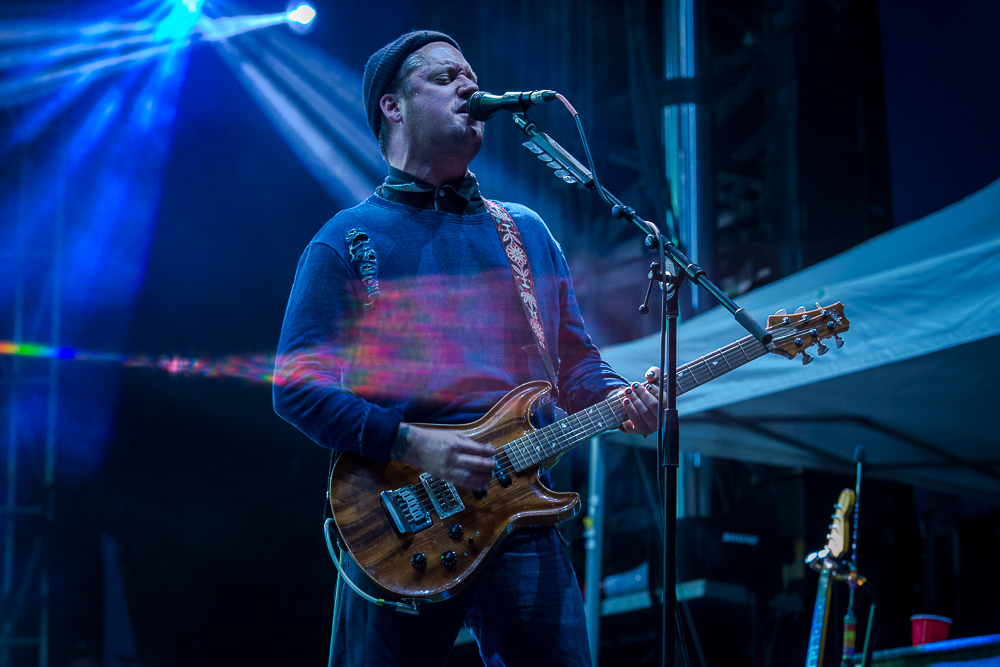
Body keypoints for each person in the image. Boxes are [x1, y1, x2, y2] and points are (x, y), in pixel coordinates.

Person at [273, 30, 661, 667]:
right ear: (393, 106)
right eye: (444, 77)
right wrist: (411, 442)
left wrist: (621, 397)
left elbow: (575, 362)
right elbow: (296, 387)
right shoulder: (348, 240)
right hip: (400, 517)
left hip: (523, 516)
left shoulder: (524, 231)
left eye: (471, 77)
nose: (468, 86)